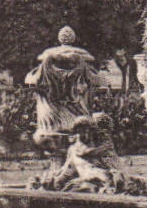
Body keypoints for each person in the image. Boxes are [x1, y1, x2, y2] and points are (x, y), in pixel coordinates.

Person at [24, 25, 97, 154]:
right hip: (77, 117)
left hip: (50, 122)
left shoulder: (44, 69)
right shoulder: (83, 69)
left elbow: (31, 81)